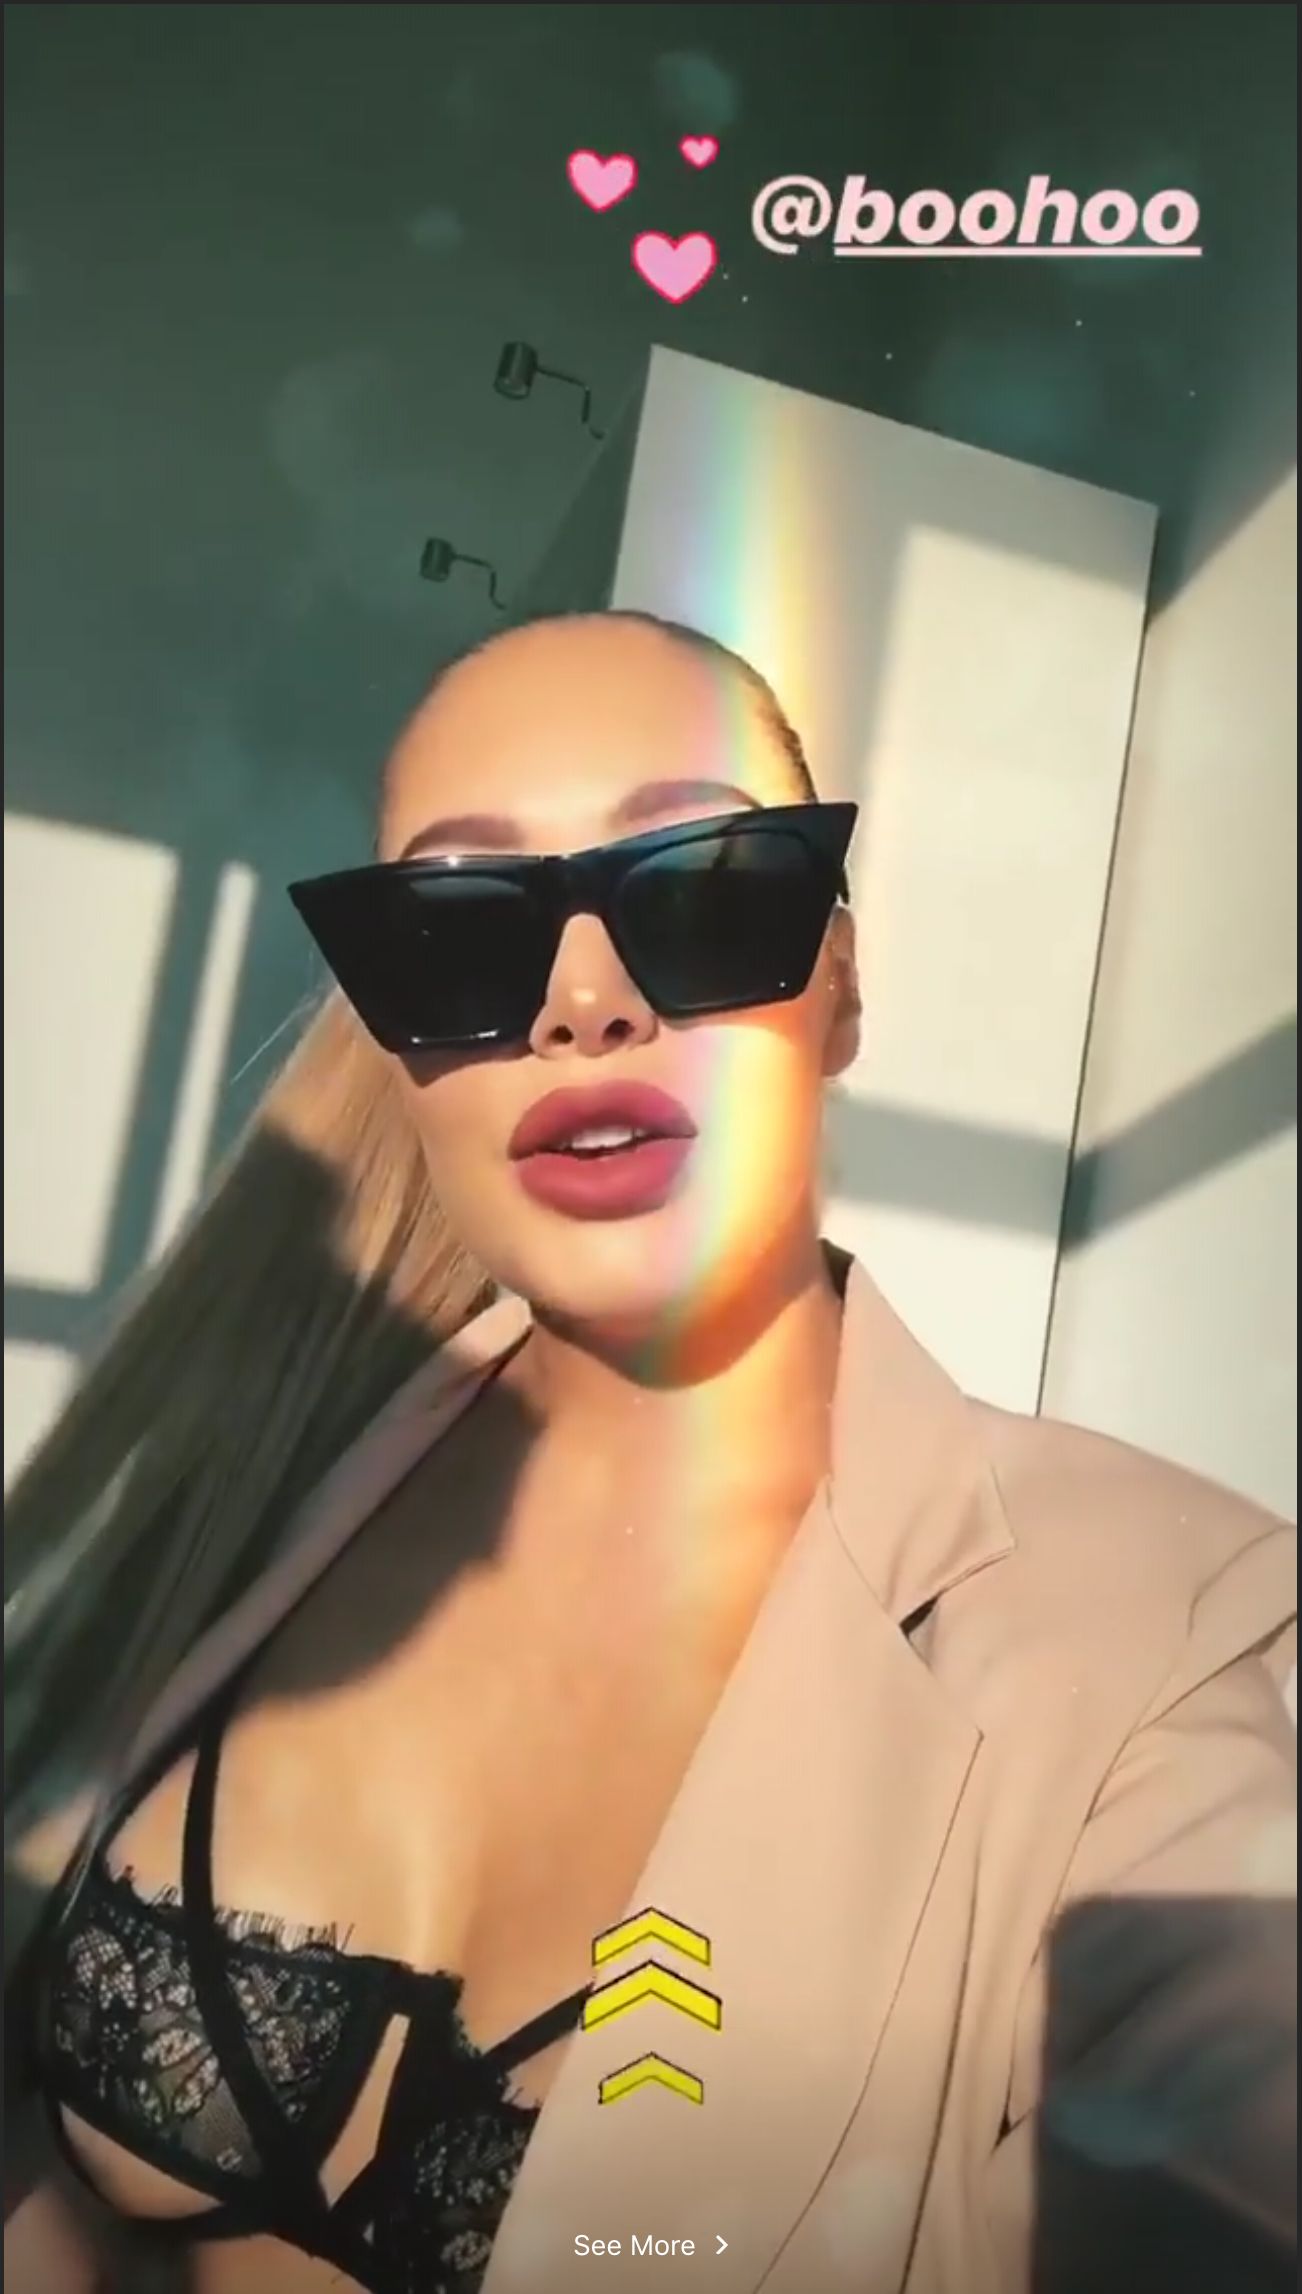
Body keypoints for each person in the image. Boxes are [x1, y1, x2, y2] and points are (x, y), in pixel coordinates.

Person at [2, 610, 1295, 2294]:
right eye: (459, 932)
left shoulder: (1149, 1648)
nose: (581, 1002)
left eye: (701, 895)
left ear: (840, 986)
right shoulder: (270, 1469)